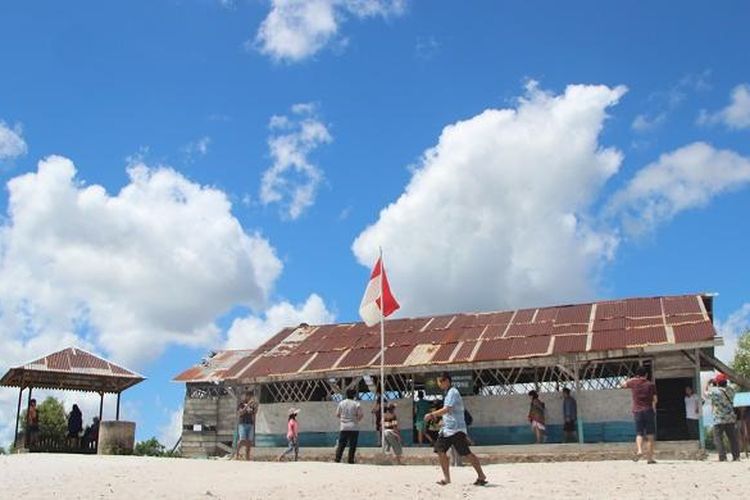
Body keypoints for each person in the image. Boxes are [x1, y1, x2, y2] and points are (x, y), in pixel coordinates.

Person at [425, 372, 487, 487]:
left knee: (466, 454)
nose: (439, 384)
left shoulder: (453, 392)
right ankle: (447, 478)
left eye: (440, 381)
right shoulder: (447, 393)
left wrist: (432, 414)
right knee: (440, 450)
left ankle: (481, 475)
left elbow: (447, 409)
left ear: (447, 381)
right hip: (447, 429)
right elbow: (448, 412)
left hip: (456, 429)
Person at [621, 366, 658, 464]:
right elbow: (655, 400)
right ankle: (650, 459)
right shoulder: (651, 385)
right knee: (650, 435)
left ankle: (640, 450)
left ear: (637, 375)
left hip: (637, 411)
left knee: (639, 433)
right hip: (649, 411)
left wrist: (632, 379)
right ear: (646, 374)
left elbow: (622, 384)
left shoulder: (633, 383)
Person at [704, 373, 740, 462]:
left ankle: (722, 457)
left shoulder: (715, 392)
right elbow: (735, 385)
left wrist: (708, 384)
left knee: (718, 438)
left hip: (719, 419)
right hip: (730, 418)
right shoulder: (731, 390)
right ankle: (736, 456)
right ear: (726, 382)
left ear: (717, 383)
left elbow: (705, 394)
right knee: (733, 438)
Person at [335, 388, 363, 464]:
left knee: (341, 444)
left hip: (344, 426)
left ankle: (337, 459)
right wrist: (356, 420)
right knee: (352, 445)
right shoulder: (356, 404)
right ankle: (350, 460)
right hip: (354, 426)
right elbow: (360, 415)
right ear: (354, 395)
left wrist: (343, 419)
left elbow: (337, 414)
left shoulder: (341, 403)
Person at [236, 391, 258, 461]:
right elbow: (240, 413)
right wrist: (247, 405)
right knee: (242, 440)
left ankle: (247, 457)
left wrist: (256, 407)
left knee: (249, 442)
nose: (250, 398)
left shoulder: (252, 405)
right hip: (242, 424)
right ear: (246, 396)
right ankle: (237, 454)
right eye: (249, 396)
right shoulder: (241, 404)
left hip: (250, 424)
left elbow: (254, 413)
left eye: (251, 396)